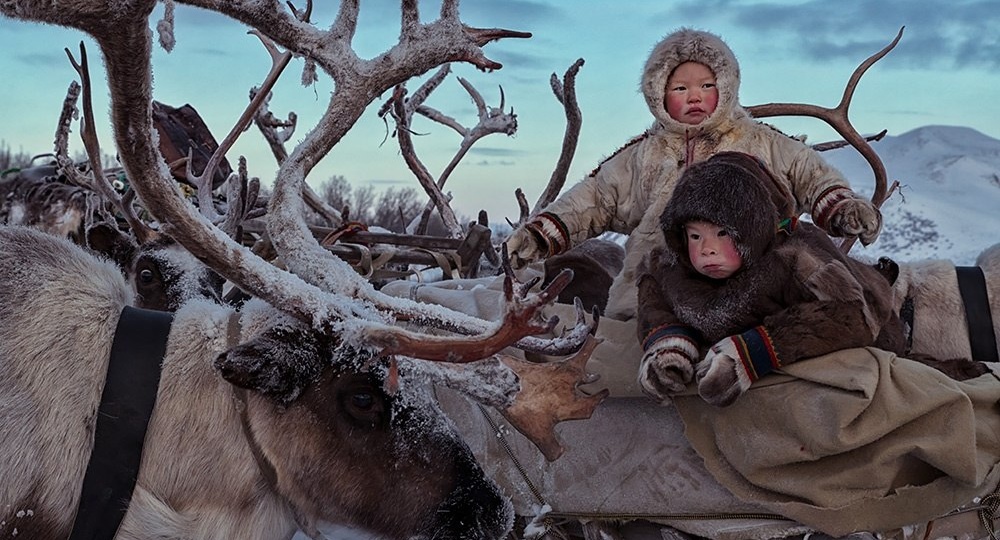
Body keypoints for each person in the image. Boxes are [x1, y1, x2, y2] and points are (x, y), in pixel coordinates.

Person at [505, 28, 882, 321]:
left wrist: (842, 206)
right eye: (680, 88)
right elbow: (595, 198)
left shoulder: (761, 141)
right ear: (657, 94)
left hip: (746, 295)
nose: (695, 97)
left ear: (727, 87)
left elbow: (808, 173)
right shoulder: (642, 154)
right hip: (646, 298)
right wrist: (542, 234)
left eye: (707, 86)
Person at [635, 151, 907, 407]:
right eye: (695, 236)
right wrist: (669, 343)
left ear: (752, 229)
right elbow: (654, 300)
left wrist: (754, 352)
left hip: (870, 333)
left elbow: (854, 316)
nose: (707, 249)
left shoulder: (799, 259)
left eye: (722, 234)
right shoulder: (668, 265)